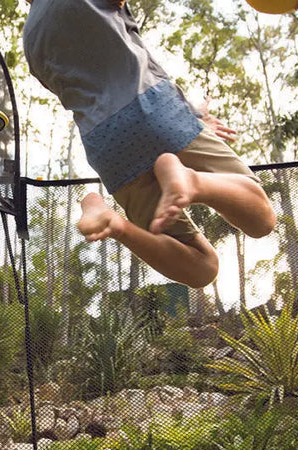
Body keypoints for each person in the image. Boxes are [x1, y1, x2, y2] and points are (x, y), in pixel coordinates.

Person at [23, 0, 276, 288]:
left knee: (201, 269)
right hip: (153, 109)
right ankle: (194, 182)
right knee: (261, 219)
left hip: (107, 148)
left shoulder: (30, 40)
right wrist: (191, 116)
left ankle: (114, 223)